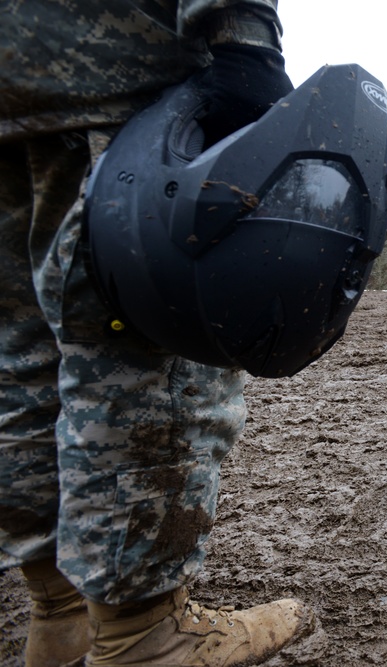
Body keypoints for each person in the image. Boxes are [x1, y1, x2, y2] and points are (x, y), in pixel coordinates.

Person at [0, 2, 317, 665]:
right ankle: (142, 628)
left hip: (13, 80)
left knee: (26, 352)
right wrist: (244, 34)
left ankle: (62, 614)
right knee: (145, 336)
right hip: (117, 66)